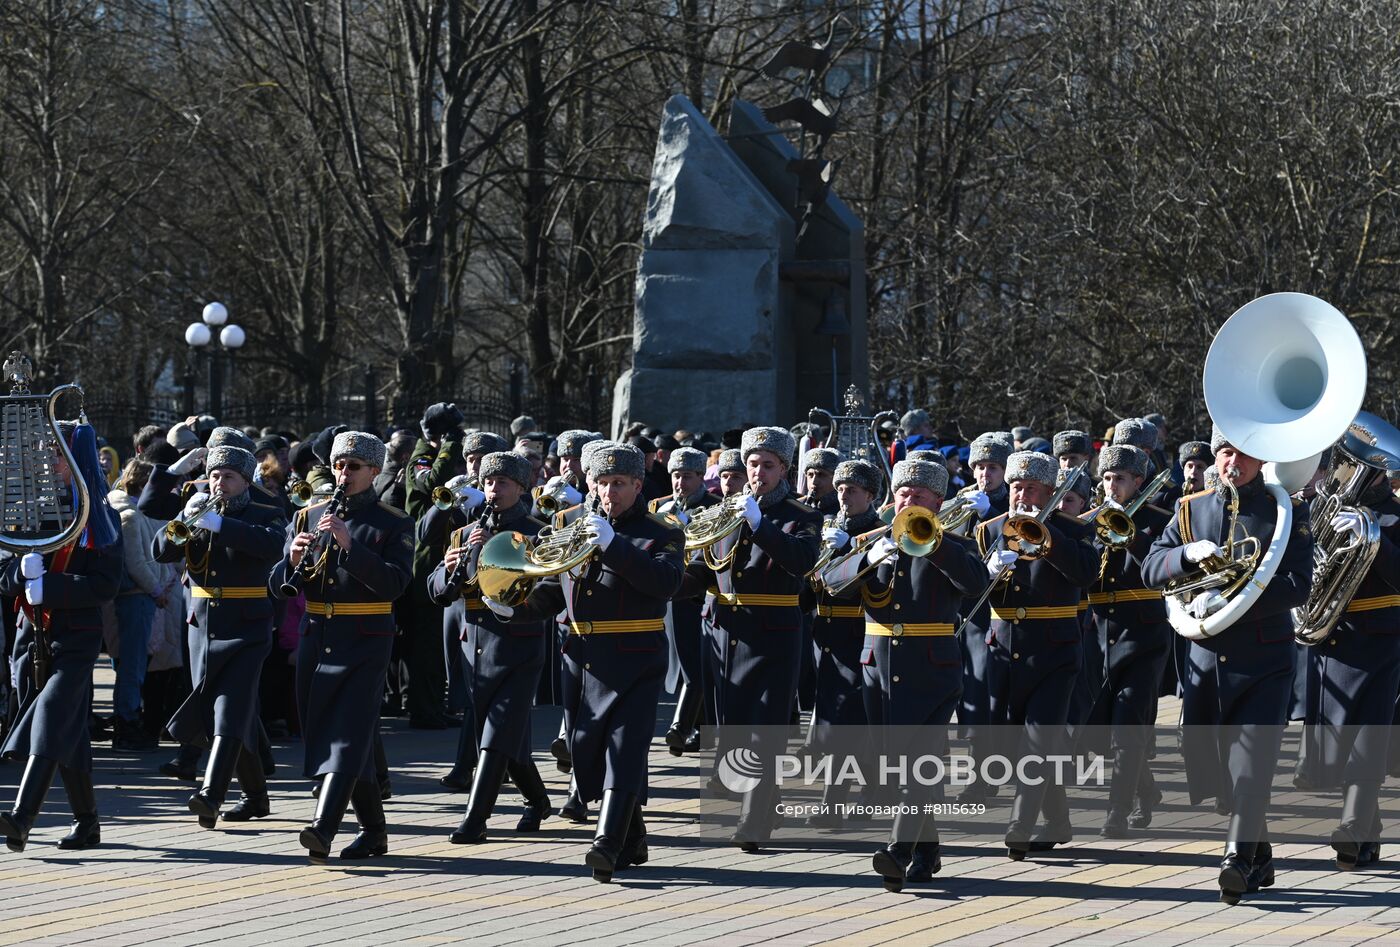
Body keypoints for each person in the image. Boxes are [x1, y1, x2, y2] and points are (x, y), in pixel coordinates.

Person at [483, 443, 684, 881]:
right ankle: (634, 838)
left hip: (636, 656)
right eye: (602, 483)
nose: (609, 492)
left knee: (624, 749)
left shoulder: (661, 531)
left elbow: (665, 583)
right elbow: (553, 592)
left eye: (619, 483)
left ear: (637, 485)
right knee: (587, 750)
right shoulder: (570, 524)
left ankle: (606, 843)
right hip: (581, 657)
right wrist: (514, 609)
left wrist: (614, 546)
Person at [1141, 425, 1313, 905]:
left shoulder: (1286, 511)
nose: (1232, 463)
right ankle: (1259, 854)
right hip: (1205, 660)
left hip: (1265, 659)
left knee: (1251, 763)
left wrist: (1234, 598)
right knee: (1220, 772)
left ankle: (1236, 859)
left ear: (1261, 459)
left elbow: (1298, 584)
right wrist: (1184, 556)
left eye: (1242, 454)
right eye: (1225, 453)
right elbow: (1151, 569)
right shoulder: (1189, 510)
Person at [822, 458, 987, 890]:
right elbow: (830, 583)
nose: (908, 502)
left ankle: (897, 852)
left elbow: (975, 583)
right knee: (898, 767)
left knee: (917, 765)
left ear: (937, 502)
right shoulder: (873, 540)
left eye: (918, 496)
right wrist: (864, 559)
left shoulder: (955, 543)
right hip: (878, 667)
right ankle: (927, 851)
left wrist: (936, 546)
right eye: (902, 495)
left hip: (932, 669)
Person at [270, 431, 414, 862]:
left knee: (348, 735)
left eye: (354, 467)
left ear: (374, 471)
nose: (343, 473)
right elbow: (278, 586)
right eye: (338, 465)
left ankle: (323, 827)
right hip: (318, 637)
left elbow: (395, 584)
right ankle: (374, 832)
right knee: (332, 734)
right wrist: (291, 561)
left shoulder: (393, 521)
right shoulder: (308, 515)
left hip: (365, 639)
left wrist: (351, 547)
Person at [680, 426, 823, 852]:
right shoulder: (725, 511)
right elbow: (704, 569)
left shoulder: (802, 515)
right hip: (727, 632)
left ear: (785, 470)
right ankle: (765, 800)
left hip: (774, 633)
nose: (758, 472)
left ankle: (753, 818)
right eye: (753, 464)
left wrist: (759, 525)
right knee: (735, 729)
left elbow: (801, 561)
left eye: (768, 465)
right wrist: (662, 580)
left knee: (766, 729)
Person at [0, 420, 123, 852]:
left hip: (76, 636)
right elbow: (4, 577)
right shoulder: (29, 510)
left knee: (52, 713)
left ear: (75, 458)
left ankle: (21, 817)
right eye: (43, 453)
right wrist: (19, 573)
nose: (46, 462)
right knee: (67, 728)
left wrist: (50, 587)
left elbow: (106, 584)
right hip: (31, 634)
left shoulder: (100, 515)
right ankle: (87, 821)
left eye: (54, 453)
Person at [153, 445, 286, 829]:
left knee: (228, 709)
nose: (219, 483)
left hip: (247, 625)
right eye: (214, 475)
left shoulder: (265, 510)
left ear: (245, 480)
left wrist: (221, 526)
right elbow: (160, 551)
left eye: (228, 476)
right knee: (228, 712)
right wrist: (184, 517)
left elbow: (272, 545)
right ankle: (255, 796)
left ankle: (211, 794)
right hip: (203, 624)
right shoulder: (200, 509)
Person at [975, 449, 1097, 860]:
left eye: (1031, 488)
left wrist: (1048, 540)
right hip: (1004, 648)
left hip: (1055, 650)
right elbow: (968, 593)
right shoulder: (989, 530)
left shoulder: (1073, 529)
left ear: (1049, 493)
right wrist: (988, 572)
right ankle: (1058, 821)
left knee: (1039, 740)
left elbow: (1086, 572)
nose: (1021, 495)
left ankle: (1020, 824)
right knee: (1015, 743)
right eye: (1016, 487)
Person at [429, 451, 553, 842]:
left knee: (497, 733)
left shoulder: (538, 533)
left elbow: (545, 590)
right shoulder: (465, 532)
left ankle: (475, 819)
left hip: (519, 645)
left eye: (502, 483)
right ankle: (537, 800)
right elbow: (437, 590)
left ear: (521, 487)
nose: (493, 490)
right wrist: (451, 567)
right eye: (487, 482)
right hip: (475, 647)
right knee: (498, 733)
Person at [1296, 440, 1400, 871]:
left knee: (1368, 735)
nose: (1346, 472)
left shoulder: (1395, 516)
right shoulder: (1320, 511)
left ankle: (1354, 826)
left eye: (1359, 467)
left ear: (1379, 473)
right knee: (1338, 739)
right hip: (1332, 638)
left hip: (1382, 640)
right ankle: (1367, 829)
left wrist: (1374, 540)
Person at [1081, 445, 1174, 839]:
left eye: (1119, 478)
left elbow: (1161, 567)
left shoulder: (1159, 521)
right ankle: (1147, 789)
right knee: (1099, 730)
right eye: (1105, 478)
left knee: (1128, 726)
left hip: (1143, 635)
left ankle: (1117, 811)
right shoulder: (1090, 520)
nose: (1111, 485)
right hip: (1099, 633)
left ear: (1138, 481)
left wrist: (1129, 535)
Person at [802, 459, 883, 827]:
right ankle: (870, 791)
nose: (843, 495)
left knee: (847, 723)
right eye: (840, 489)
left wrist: (850, 548)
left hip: (859, 633)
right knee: (836, 720)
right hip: (826, 635)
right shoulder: (828, 526)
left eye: (852, 490)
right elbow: (811, 583)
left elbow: (876, 581)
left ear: (870, 495)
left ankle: (835, 802)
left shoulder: (880, 533)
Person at [649, 446, 719, 755]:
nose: (680, 483)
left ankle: (681, 725)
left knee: (694, 662)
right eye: (676, 476)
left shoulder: (715, 506)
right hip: (665, 591)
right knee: (675, 661)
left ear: (701, 477)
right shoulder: (658, 506)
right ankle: (699, 729)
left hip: (696, 592)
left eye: (687, 476)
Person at [403, 403, 466, 728]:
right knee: (426, 641)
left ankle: (433, 704)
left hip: (439, 555)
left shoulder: (434, 453)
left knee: (436, 640)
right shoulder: (421, 458)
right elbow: (434, 484)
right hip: (424, 559)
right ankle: (423, 709)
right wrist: (450, 445)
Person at [107, 459, 166, 751]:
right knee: (132, 664)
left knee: (133, 662)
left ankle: (128, 717)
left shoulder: (132, 512)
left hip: (137, 597)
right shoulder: (129, 515)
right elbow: (136, 562)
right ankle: (126, 722)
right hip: (134, 597)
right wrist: (156, 589)